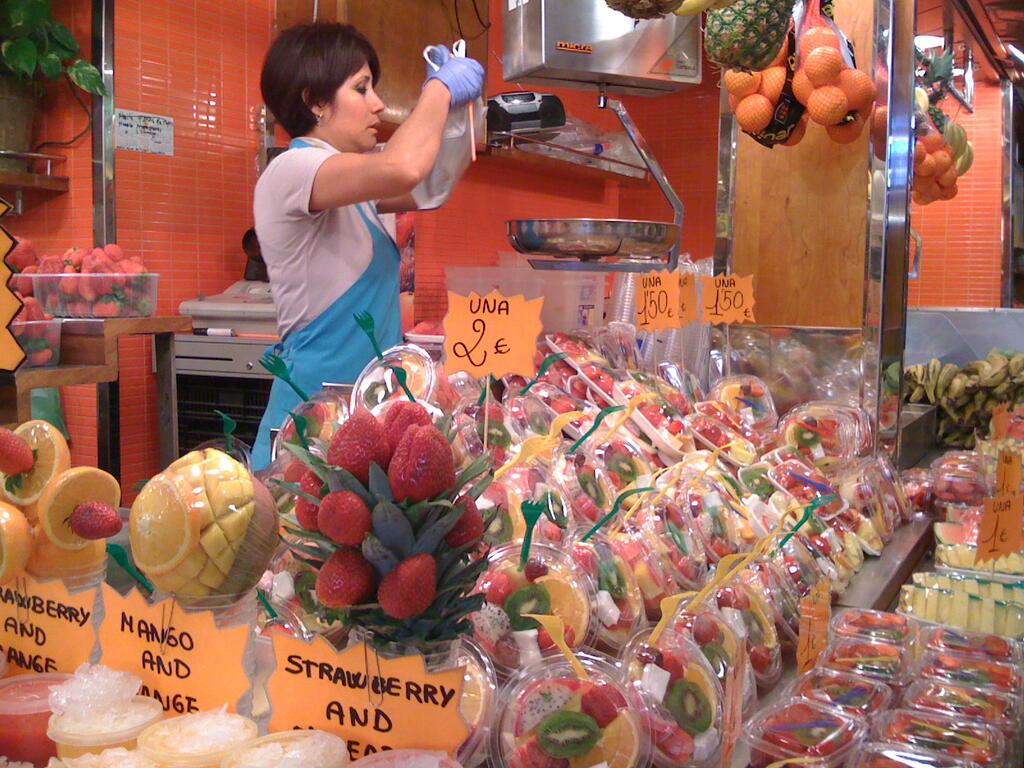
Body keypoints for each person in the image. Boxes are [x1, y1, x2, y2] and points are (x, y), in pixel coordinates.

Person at [251, 23, 483, 469]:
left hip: (363, 414)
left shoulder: (354, 182)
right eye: (362, 88)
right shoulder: (292, 170)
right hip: (310, 422)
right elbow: (404, 167)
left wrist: (461, 109)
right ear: (315, 101)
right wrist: (437, 90)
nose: (378, 103)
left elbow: (431, 183)